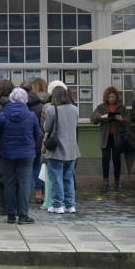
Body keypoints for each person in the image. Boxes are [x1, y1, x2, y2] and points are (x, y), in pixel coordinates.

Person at [0, 88, 41, 224]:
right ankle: (23, 215)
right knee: (25, 183)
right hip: (26, 154)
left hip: (8, 153)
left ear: (11, 99)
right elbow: (37, 134)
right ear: (25, 100)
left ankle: (10, 215)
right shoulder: (31, 115)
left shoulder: (3, 116)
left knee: (9, 182)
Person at [43, 85, 81, 214]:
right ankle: (70, 205)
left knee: (56, 177)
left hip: (57, 148)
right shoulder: (75, 109)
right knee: (68, 177)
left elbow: (47, 128)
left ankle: (57, 204)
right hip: (72, 149)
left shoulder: (52, 110)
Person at [90, 86, 128, 191]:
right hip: (105, 136)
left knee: (117, 159)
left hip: (117, 136)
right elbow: (93, 119)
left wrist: (122, 119)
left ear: (116, 97)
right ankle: (105, 181)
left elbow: (128, 120)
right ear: (106, 97)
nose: (111, 99)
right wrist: (102, 117)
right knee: (105, 158)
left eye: (113, 97)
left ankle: (117, 181)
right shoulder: (101, 107)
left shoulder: (121, 107)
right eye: (109, 97)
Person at [0, 79, 14, 216]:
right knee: (12, 177)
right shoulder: (16, 104)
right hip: (13, 144)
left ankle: (3, 207)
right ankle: (13, 205)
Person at [21, 81, 45, 204]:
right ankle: (39, 192)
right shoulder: (40, 105)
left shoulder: (20, 104)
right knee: (37, 166)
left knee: (26, 167)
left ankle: (27, 194)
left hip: (25, 139)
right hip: (38, 138)